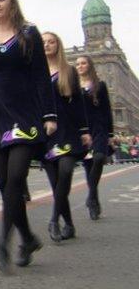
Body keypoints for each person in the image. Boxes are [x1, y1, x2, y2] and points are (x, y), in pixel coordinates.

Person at [0, 0, 56, 271]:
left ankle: (3, 240)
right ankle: (28, 237)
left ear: (12, 2)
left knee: (16, 178)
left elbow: (42, 76)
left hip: (23, 111)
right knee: (6, 183)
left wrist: (49, 114)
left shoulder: (28, 33)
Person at [41, 32, 92, 241]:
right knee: (56, 183)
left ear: (58, 45)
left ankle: (54, 220)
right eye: (43, 42)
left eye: (51, 42)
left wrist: (84, 131)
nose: (47, 45)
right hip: (46, 133)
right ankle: (69, 225)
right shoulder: (36, 72)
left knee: (65, 171)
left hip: (67, 130)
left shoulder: (69, 71)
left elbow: (79, 104)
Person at [76, 55, 113, 220]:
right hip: (82, 129)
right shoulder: (73, 86)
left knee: (98, 158)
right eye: (77, 64)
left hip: (99, 127)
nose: (80, 66)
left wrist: (110, 134)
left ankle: (90, 196)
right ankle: (94, 203)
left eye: (83, 63)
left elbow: (106, 109)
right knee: (88, 166)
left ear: (90, 65)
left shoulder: (100, 85)